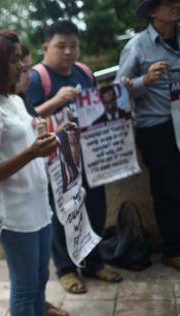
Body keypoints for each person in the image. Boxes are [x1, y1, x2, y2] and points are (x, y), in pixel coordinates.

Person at [25, 20, 122, 294]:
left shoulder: (84, 73)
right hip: (56, 162)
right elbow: (27, 120)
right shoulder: (36, 78)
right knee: (61, 214)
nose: (68, 52)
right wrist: (55, 101)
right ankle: (66, 269)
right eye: (61, 46)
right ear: (46, 47)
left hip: (89, 155)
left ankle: (93, 262)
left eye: (73, 46)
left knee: (95, 207)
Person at [0, 30, 58, 316]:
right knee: (25, 287)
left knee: (41, 279)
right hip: (13, 214)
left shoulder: (15, 101)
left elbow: (23, 142)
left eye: (20, 58)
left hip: (37, 206)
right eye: (14, 60)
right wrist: (32, 152)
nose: (22, 65)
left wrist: (40, 136)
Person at [116, 0, 180, 272]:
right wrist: (144, 81)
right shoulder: (137, 46)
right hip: (157, 130)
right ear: (152, 11)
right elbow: (118, 93)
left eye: (179, 1)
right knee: (167, 192)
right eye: (168, 2)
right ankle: (176, 251)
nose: (177, 5)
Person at [15, 44, 70, 316]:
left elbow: (34, 130)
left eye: (26, 66)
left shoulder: (19, 100)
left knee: (37, 272)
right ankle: (38, 304)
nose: (26, 74)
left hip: (36, 199)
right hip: (16, 209)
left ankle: (41, 303)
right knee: (24, 281)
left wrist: (54, 134)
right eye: (21, 67)